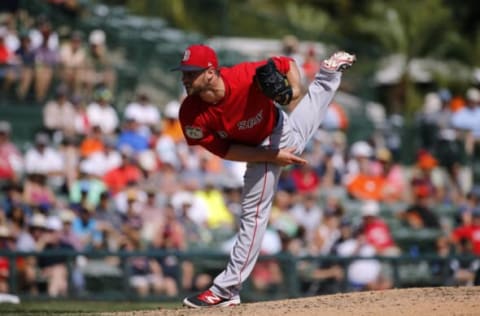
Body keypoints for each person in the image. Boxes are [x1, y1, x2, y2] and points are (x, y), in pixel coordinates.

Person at [173, 44, 355, 308]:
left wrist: (294, 92)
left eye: (190, 73)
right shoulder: (190, 113)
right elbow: (225, 150)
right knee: (294, 145)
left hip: (274, 130)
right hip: (257, 150)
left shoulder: (245, 76)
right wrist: (272, 156)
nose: (184, 78)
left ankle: (227, 288)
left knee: (254, 214)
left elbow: (288, 64)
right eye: (184, 73)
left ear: (211, 72)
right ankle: (328, 76)